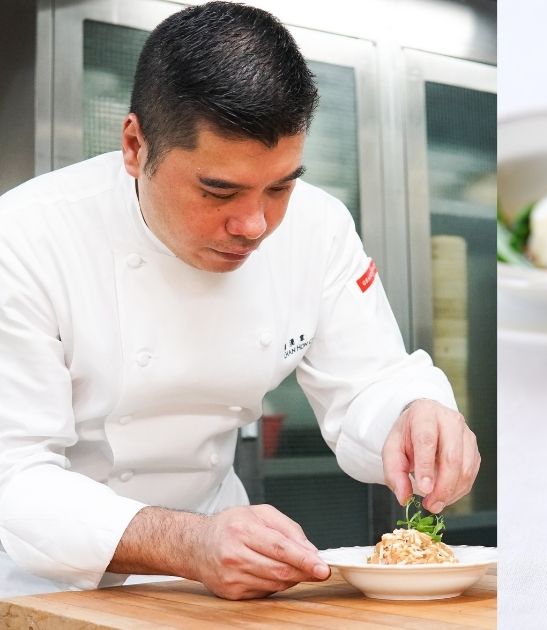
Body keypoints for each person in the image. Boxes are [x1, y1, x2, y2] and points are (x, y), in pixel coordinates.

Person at [0, 2, 479, 600]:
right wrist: (188, 543)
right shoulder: (24, 238)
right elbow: (15, 479)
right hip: (46, 584)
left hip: (223, 582)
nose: (255, 224)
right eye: (218, 189)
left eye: (280, 186)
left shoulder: (319, 228)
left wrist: (413, 414)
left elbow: (368, 383)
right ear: (134, 146)